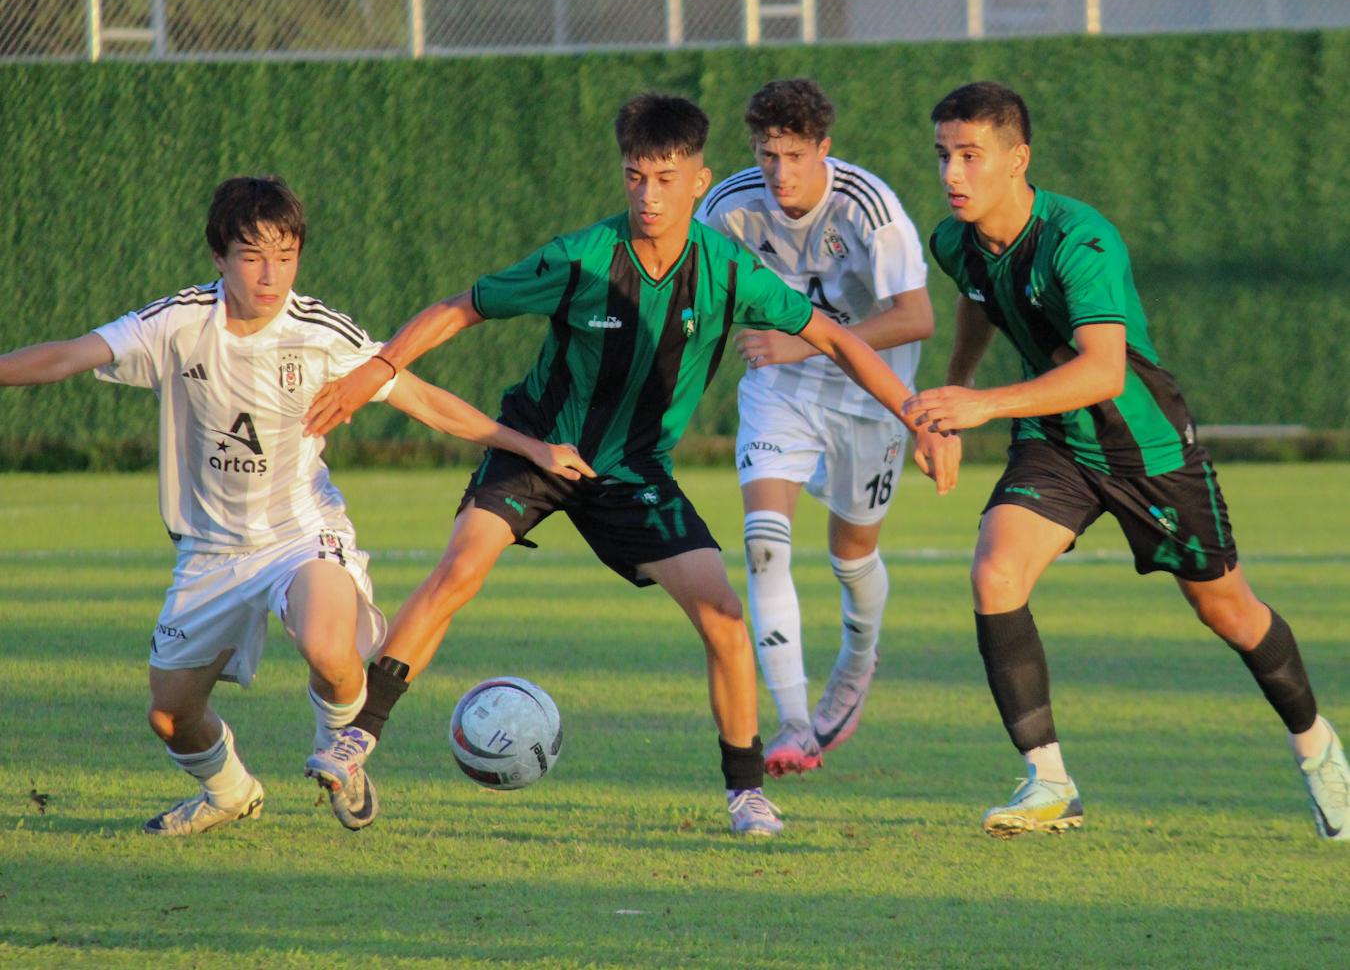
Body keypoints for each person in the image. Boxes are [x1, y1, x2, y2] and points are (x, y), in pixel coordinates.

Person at [302, 94, 958, 836]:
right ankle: (356, 740)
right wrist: (378, 367)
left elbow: (837, 339)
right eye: (635, 177)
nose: (649, 195)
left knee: (724, 615)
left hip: (636, 471)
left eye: (666, 179)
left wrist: (917, 413)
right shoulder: (580, 258)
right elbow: (464, 306)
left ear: (700, 180)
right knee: (460, 569)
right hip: (540, 444)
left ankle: (746, 794)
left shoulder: (728, 270)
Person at [0, 175, 589, 836]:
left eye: (285, 255)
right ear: (219, 259)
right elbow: (70, 355)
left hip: (300, 534)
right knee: (170, 715)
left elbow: (421, 398)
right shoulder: (177, 324)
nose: (270, 273)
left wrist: (531, 448)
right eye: (252, 255)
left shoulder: (319, 334)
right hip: (211, 553)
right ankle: (229, 791)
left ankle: (344, 754)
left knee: (330, 647)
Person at [904, 81, 1349, 840]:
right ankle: (1049, 781)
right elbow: (976, 297)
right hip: (1054, 442)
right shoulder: (954, 240)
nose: (952, 173)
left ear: (1019, 160)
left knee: (1227, 610)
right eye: (944, 154)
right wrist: (957, 390)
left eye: (971, 156)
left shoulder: (1081, 239)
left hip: (1144, 448)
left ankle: (1319, 752)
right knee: (994, 572)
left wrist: (981, 407)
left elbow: (1104, 371)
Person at [695, 78, 933, 777]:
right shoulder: (729, 207)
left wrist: (805, 339)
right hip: (781, 391)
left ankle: (858, 662)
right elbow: (697, 295)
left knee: (851, 556)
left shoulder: (869, 208)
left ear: (824, 149)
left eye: (795, 156)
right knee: (764, 546)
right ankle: (795, 722)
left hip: (870, 399)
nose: (780, 173)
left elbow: (917, 316)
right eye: (768, 155)